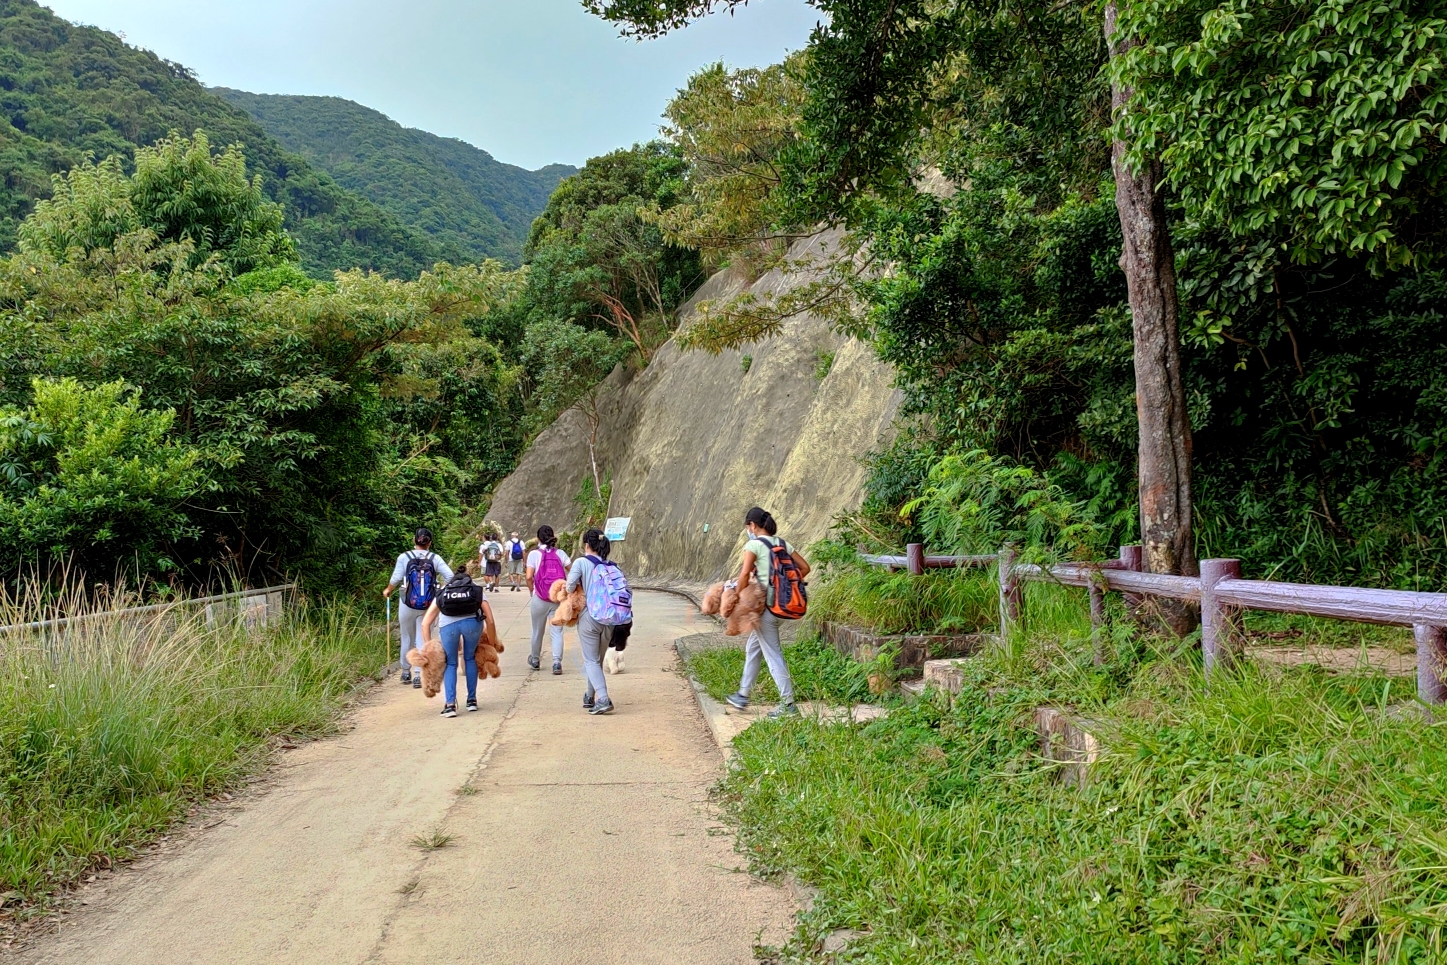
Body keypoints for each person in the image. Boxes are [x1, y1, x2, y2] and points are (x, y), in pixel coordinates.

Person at [725, 507, 810, 718]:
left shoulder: (753, 544)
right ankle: (743, 694)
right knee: (754, 647)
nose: (748, 530)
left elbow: (744, 575)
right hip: (784, 606)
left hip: (767, 609)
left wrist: (736, 595)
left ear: (752, 525)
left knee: (773, 654)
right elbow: (805, 568)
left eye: (748, 526)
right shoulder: (782, 543)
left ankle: (788, 705)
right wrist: (785, 584)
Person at [566, 528, 630, 716]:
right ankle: (589, 695)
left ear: (586, 545)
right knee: (597, 659)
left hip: (590, 617)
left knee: (590, 660)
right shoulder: (612, 565)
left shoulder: (581, 562)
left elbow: (569, 586)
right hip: (611, 618)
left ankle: (602, 698)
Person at [419, 562, 495, 717]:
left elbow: (425, 623)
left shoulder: (444, 590)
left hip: (448, 626)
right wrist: (492, 644)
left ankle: (450, 705)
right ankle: (472, 701)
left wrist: (429, 649)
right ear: (469, 578)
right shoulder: (475, 589)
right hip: (472, 625)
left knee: (451, 663)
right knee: (469, 658)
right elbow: (490, 620)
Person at [383, 528, 453, 689]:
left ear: (414, 540)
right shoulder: (435, 558)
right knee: (422, 638)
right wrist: (440, 591)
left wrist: (388, 590)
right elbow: (450, 576)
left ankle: (405, 671)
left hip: (407, 602)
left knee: (406, 637)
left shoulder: (404, 557)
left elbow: (396, 577)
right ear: (430, 543)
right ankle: (417, 674)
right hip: (428, 604)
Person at [526, 525, 570, 674]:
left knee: (537, 630)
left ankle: (535, 659)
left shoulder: (534, 554)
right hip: (557, 598)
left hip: (539, 597)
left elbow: (528, 577)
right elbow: (573, 570)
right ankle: (557, 663)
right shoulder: (561, 553)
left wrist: (532, 591)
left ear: (538, 538)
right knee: (557, 631)